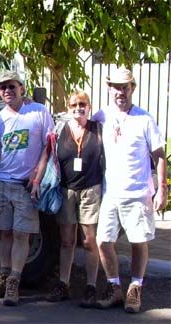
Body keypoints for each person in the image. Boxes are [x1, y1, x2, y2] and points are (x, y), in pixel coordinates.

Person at [92, 68, 167, 313]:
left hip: (138, 194)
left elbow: (160, 156)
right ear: (109, 88)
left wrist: (162, 189)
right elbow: (79, 122)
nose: (120, 91)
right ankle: (114, 288)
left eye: (125, 87)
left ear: (132, 88)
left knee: (138, 241)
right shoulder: (102, 115)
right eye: (115, 86)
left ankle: (135, 288)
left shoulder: (144, 119)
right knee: (103, 241)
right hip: (111, 193)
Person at [0, 71, 54, 305]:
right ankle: (3, 277)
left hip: (25, 187)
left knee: (22, 235)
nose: (7, 91)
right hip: (3, 183)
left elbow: (48, 147)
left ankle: (14, 282)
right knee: (4, 234)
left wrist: (37, 179)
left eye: (11, 86)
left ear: (22, 88)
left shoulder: (39, 112)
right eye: (2, 87)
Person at [31, 91, 103, 307]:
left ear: (89, 106)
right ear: (68, 106)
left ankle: (91, 287)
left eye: (82, 104)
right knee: (67, 240)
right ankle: (63, 283)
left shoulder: (98, 129)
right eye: (73, 104)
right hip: (66, 190)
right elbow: (46, 155)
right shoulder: (60, 129)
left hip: (91, 190)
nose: (78, 108)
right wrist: (36, 182)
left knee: (90, 241)